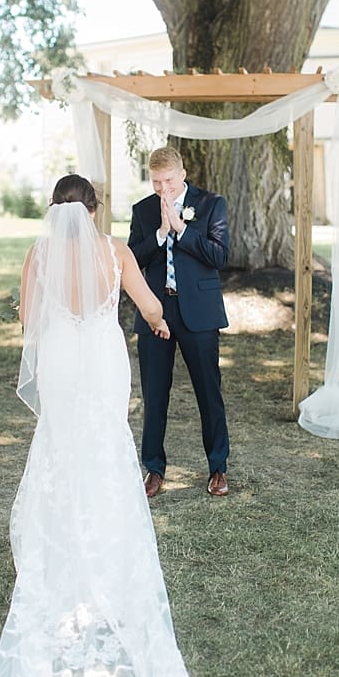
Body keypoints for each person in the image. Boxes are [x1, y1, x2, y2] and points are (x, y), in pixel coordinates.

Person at [0, 174, 199, 677]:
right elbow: (146, 304)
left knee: (61, 445)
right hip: (100, 357)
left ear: (54, 211)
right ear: (94, 211)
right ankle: (106, 540)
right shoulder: (115, 251)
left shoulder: (39, 255)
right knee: (107, 444)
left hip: (63, 358)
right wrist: (159, 322)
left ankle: (62, 542)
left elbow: (28, 320)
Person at [127, 146, 231, 498]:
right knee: (154, 396)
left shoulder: (211, 204)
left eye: (168, 181)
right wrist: (159, 233)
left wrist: (181, 229)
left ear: (182, 174)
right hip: (155, 311)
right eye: (156, 182)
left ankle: (218, 467)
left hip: (198, 313)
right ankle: (153, 469)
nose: (163, 189)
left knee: (208, 392)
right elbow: (131, 258)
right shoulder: (141, 210)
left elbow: (220, 256)